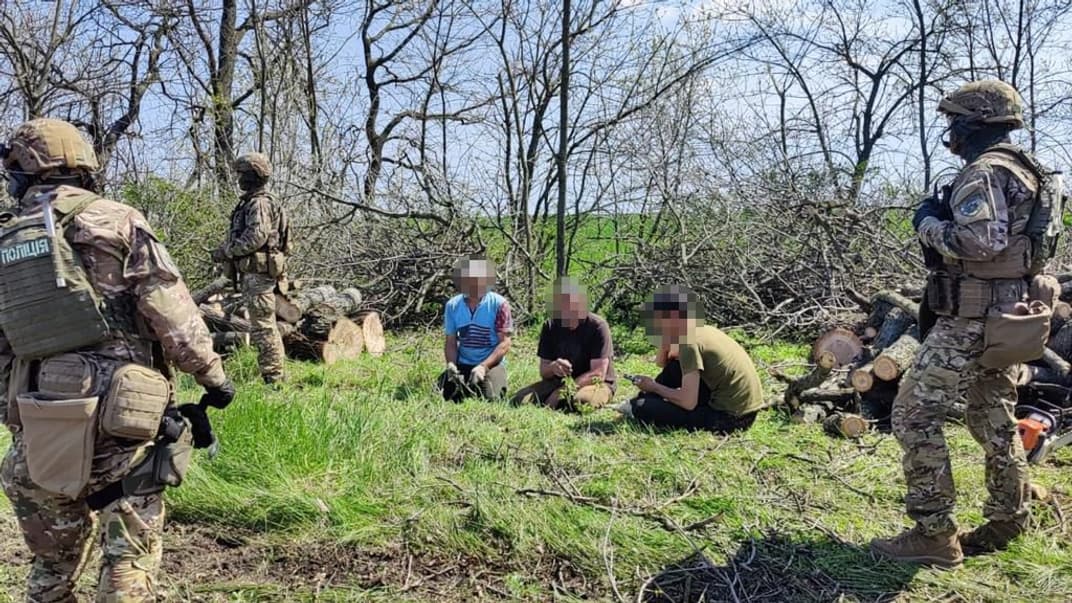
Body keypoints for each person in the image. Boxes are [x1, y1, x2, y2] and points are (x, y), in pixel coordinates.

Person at [0, 118, 235, 601]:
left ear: (24, 172)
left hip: (40, 416)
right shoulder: (117, 220)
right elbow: (170, 311)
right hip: (122, 416)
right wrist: (213, 378)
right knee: (128, 557)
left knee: (50, 565)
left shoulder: (6, 239)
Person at [870, 80, 1059, 568]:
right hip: (1009, 319)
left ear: (977, 120)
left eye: (954, 121)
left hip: (971, 319)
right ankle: (1007, 519)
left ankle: (934, 534)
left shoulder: (984, 171)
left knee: (913, 415)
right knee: (991, 416)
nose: (949, 131)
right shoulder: (1031, 170)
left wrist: (927, 222)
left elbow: (980, 244)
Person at [617, 286, 763, 432]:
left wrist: (653, 387)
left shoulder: (689, 343)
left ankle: (642, 403)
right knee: (674, 368)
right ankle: (650, 398)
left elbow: (688, 402)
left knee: (642, 407)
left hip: (729, 419)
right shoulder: (699, 330)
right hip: (746, 411)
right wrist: (666, 340)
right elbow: (663, 365)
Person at [213, 152, 290, 384]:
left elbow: (256, 236)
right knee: (263, 326)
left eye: (242, 174)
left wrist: (229, 250)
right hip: (254, 274)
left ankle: (274, 379)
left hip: (259, 275)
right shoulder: (253, 201)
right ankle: (273, 375)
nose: (239, 179)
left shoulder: (259, 203)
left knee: (263, 327)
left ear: (254, 175)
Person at [511, 278, 615, 410]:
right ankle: (560, 401)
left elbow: (598, 373)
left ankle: (566, 402)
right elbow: (544, 371)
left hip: (595, 383)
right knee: (520, 399)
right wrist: (553, 367)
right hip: (559, 382)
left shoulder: (597, 326)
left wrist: (561, 392)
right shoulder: (551, 326)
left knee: (581, 401)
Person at [438, 257, 513, 401]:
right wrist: (451, 365)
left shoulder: (499, 304)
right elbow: (451, 341)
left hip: (491, 363)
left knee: (491, 397)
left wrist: (483, 367)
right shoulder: (452, 305)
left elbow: (505, 343)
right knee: (445, 394)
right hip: (463, 362)